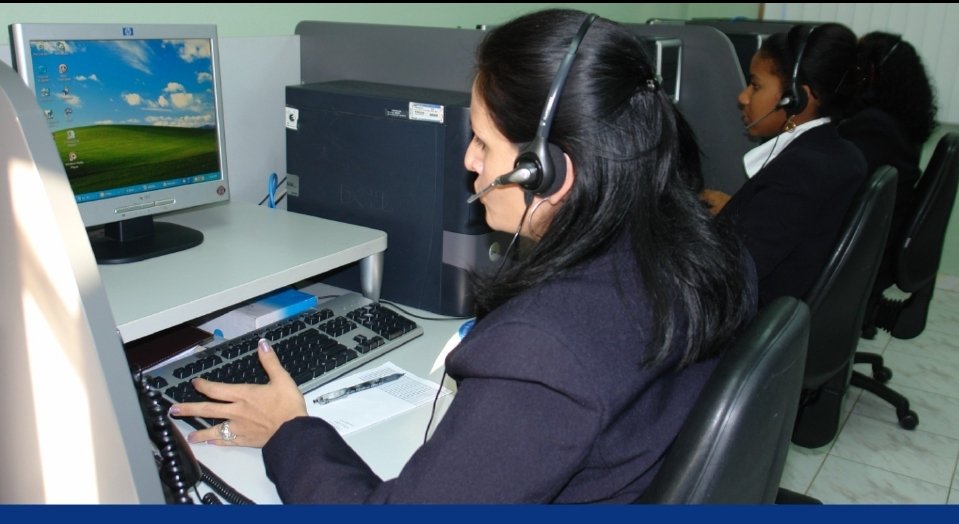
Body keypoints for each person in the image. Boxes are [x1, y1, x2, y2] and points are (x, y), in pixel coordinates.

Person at [170, 9, 757, 503]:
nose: (469, 162)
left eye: (482, 140)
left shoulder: (547, 347)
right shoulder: (705, 251)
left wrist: (288, 430)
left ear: (545, 170)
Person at [704, 23, 867, 308]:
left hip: (746, 321)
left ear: (797, 97)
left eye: (755, 85)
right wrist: (735, 210)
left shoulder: (802, 171)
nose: (743, 97)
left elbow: (730, 277)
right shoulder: (838, 152)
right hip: (785, 313)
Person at [838, 32, 938, 320]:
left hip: (869, 254)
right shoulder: (903, 123)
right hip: (885, 242)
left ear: (870, 75)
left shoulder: (872, 126)